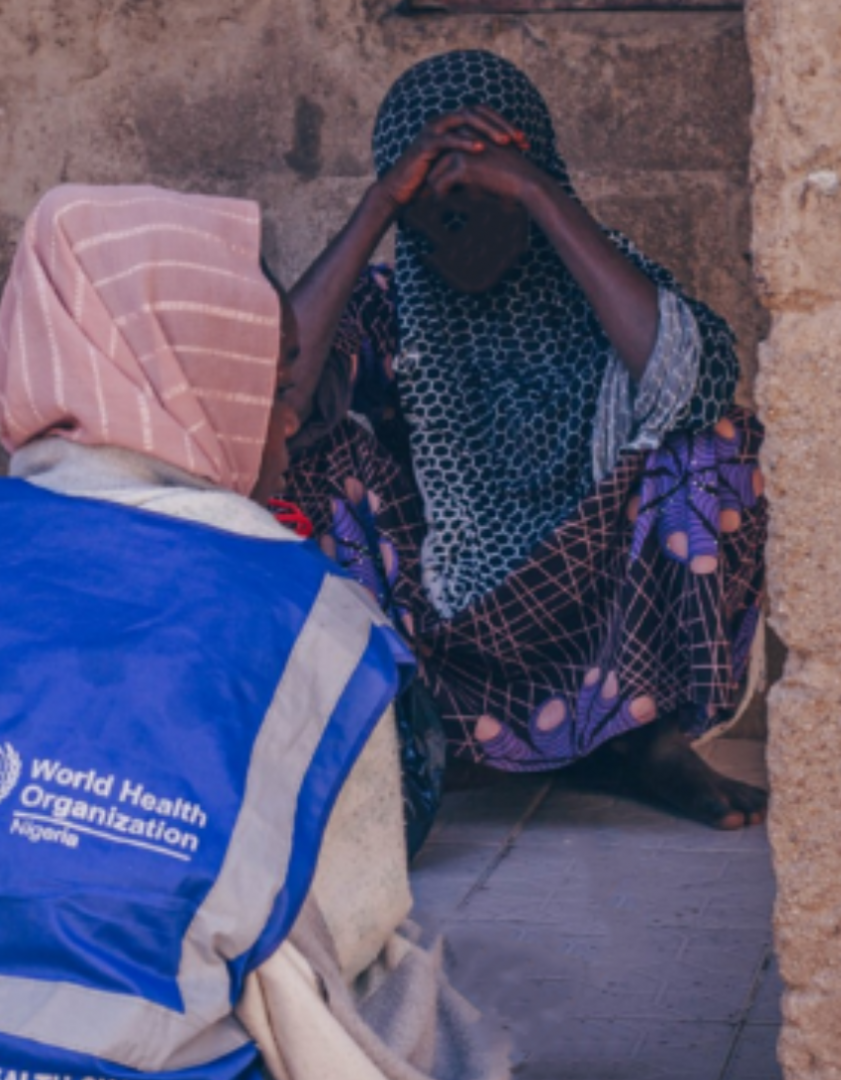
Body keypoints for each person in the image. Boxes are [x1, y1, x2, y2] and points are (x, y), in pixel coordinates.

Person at [0, 185, 507, 1080]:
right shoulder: (314, 611)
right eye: (270, 386)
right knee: (392, 979)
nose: (293, 419)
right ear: (192, 388)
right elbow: (353, 912)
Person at [278, 50, 768, 831]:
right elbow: (277, 401)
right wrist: (375, 206)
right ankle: (398, 742)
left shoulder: (606, 288)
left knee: (714, 444)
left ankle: (650, 743)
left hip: (604, 624)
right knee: (302, 464)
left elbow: (693, 383)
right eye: (431, 199)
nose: (457, 218)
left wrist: (541, 194)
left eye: (484, 188)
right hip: (443, 641)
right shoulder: (387, 307)